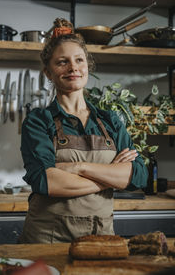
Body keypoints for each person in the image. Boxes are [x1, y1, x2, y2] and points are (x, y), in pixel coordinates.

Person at [20, 18, 148, 244]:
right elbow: (46, 181)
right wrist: (111, 176)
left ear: (88, 66)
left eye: (79, 60)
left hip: (101, 236)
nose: (73, 68)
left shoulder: (110, 121)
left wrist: (79, 167)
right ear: (48, 73)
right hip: (47, 238)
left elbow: (137, 175)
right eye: (62, 62)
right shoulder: (38, 120)